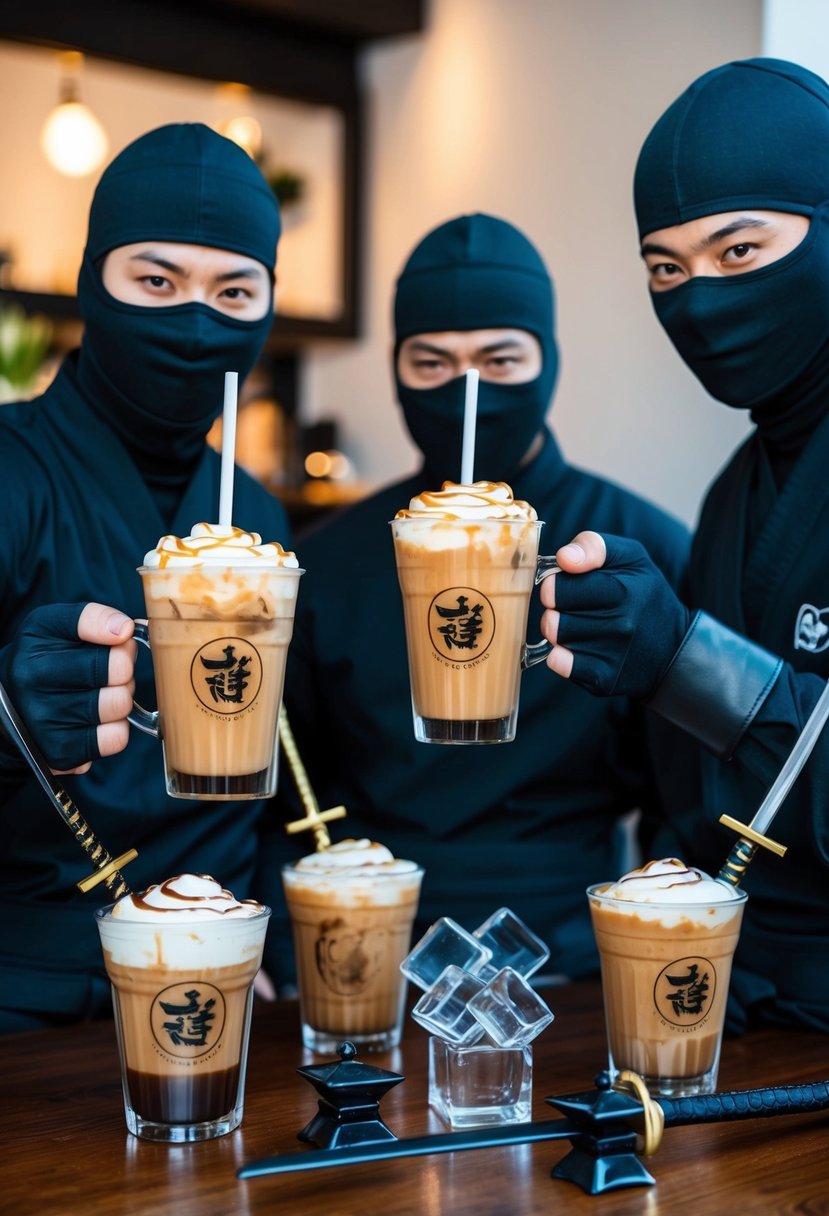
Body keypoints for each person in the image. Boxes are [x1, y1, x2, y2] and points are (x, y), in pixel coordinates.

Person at [276, 213, 689, 984]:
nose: (467, 388)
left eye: (501, 359)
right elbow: (286, 774)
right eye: (431, 362)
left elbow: (683, 791)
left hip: (576, 949)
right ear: (396, 371)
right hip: (361, 945)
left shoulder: (642, 550)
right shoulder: (325, 560)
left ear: (548, 363)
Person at [539, 59, 829, 1032]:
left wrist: (682, 660)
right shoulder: (733, 493)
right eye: (664, 267)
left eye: (736, 251)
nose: (696, 300)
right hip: (730, 1014)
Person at [0, 124, 291, 1031]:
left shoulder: (262, 518)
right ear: (95, 281)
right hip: (32, 981)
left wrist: (268, 947)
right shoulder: (11, 472)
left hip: (220, 973)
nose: (197, 321)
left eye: (232, 291)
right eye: (157, 283)